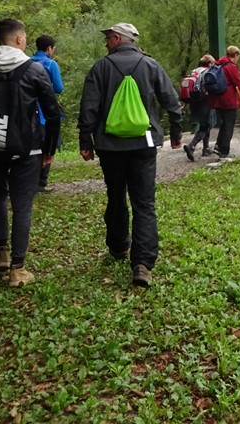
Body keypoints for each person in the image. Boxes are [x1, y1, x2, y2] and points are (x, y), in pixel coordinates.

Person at [78, 22, 183, 288]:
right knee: (144, 202)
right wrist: (177, 132)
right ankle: (142, 264)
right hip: (143, 144)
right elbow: (171, 100)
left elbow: (88, 107)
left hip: (109, 146)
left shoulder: (100, 68)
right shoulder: (151, 65)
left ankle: (118, 247)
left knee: (115, 195)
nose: (105, 44)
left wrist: (85, 140)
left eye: (108, 39)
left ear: (116, 39)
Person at [0, 18, 63, 288]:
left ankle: (1, 254)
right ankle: (18, 269)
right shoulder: (34, 71)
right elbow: (53, 114)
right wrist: (49, 149)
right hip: (27, 149)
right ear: (19, 40)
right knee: (22, 205)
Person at [31, 34, 65, 191]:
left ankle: (28, 180)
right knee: (48, 145)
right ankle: (41, 183)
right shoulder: (51, 64)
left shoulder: (27, 62)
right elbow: (58, 88)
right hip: (45, 112)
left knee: (32, 146)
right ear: (49, 48)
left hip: (28, 112)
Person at [208, 45, 240, 161]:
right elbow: (239, 85)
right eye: (238, 56)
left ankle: (218, 146)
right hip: (228, 101)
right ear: (236, 55)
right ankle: (224, 150)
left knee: (224, 123)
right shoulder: (231, 67)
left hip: (217, 100)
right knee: (229, 125)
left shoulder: (218, 64)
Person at [183, 54, 216, 161]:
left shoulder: (195, 71)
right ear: (209, 63)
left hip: (194, 101)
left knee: (204, 124)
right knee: (207, 125)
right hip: (205, 101)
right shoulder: (208, 72)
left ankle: (206, 148)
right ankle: (191, 146)